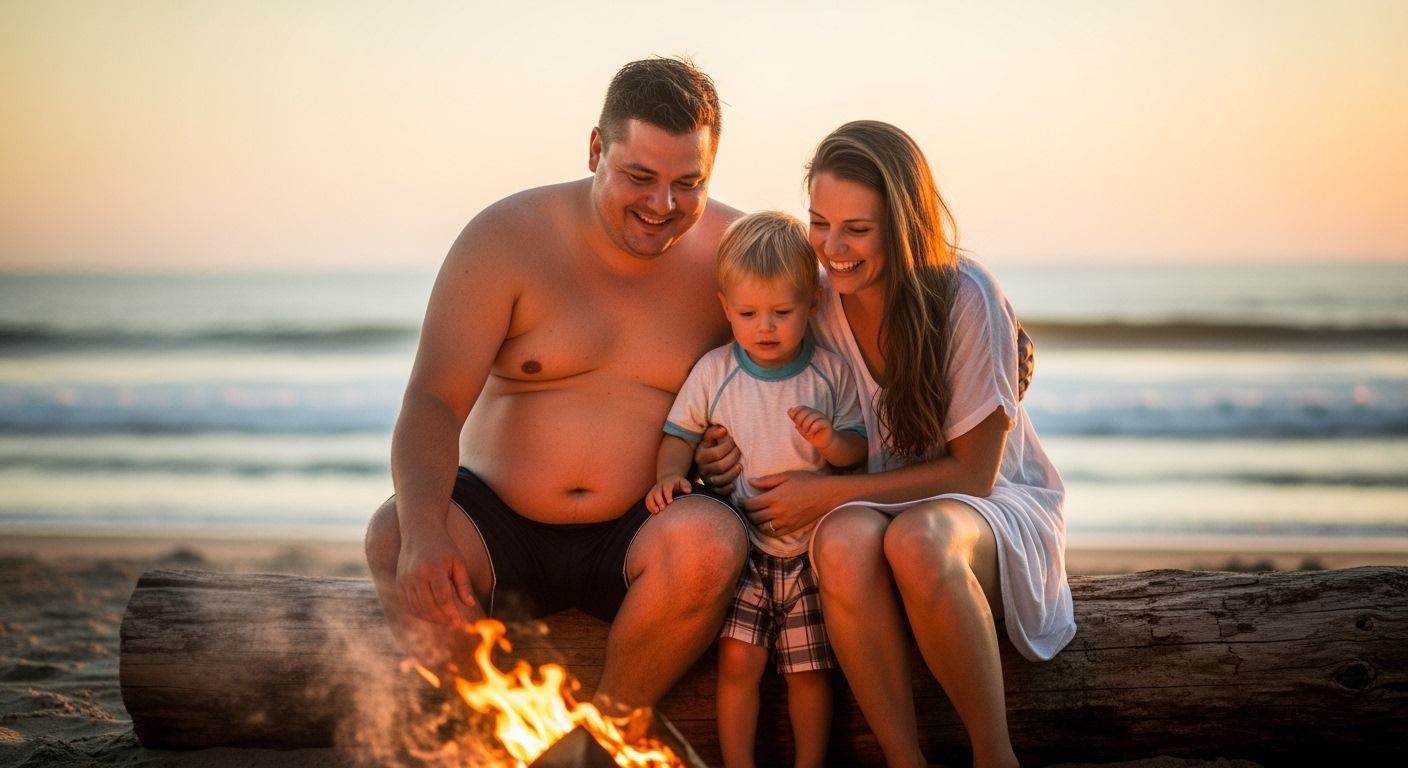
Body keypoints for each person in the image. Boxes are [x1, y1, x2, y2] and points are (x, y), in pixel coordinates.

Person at [362, 57, 751, 718]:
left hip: (646, 523)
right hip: (497, 522)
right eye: (640, 177)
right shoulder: (506, 239)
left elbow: (793, 381)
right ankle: (485, 734)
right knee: (393, 534)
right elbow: (431, 402)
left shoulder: (737, 251)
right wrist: (427, 530)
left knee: (711, 546)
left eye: (690, 183)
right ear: (597, 148)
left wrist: (730, 447)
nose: (664, 206)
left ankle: (605, 736)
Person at [697, 121, 1074, 768]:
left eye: (857, 230)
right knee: (840, 542)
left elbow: (975, 474)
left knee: (916, 541)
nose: (832, 248)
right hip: (871, 506)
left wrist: (830, 493)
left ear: (900, 223)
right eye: (819, 223)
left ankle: (995, 755)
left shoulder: (964, 293)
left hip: (988, 508)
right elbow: (756, 387)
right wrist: (715, 450)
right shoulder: (814, 301)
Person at [647, 211, 867, 768]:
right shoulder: (716, 372)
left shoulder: (829, 374)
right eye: (748, 314)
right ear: (726, 307)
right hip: (744, 548)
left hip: (811, 554)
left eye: (781, 313)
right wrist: (670, 475)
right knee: (739, 663)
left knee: (809, 672)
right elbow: (679, 433)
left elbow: (859, 450)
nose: (764, 328)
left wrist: (830, 441)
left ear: (812, 305)